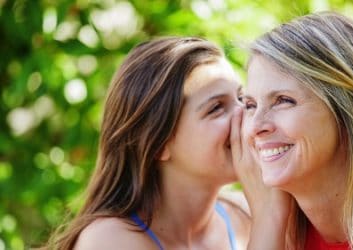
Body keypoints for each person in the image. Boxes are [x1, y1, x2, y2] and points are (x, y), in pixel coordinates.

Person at [45, 36, 287, 250]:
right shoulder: (108, 240)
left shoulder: (244, 213)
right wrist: (268, 220)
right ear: (158, 143)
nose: (246, 116)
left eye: (242, 98)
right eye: (216, 108)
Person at [232, 12, 353, 250]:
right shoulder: (276, 231)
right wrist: (268, 220)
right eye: (250, 105)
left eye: (283, 100)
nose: (257, 127)